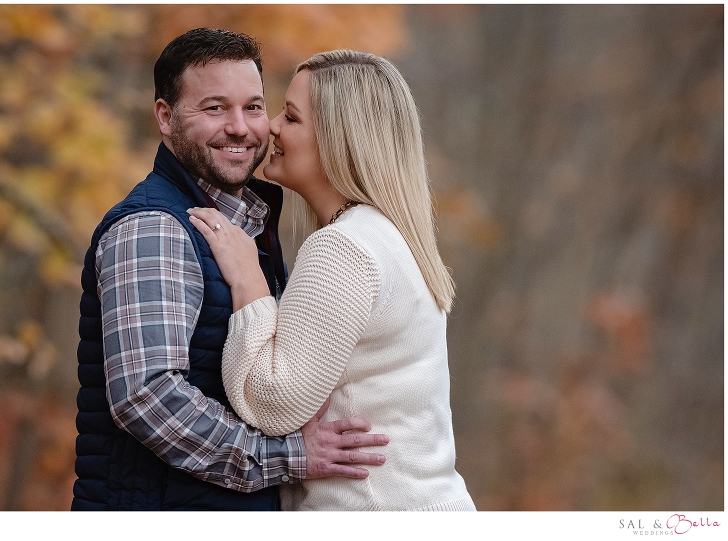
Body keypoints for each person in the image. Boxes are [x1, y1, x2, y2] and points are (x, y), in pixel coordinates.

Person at [72, 30, 388, 512]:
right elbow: (147, 396)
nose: (240, 127)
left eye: (254, 107)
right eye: (215, 108)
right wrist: (286, 456)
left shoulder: (252, 226)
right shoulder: (153, 228)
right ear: (165, 116)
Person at [187, 50, 476, 511]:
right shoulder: (388, 236)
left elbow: (272, 402)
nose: (273, 127)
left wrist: (249, 280)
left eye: (292, 117)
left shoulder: (344, 248)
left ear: (339, 141)